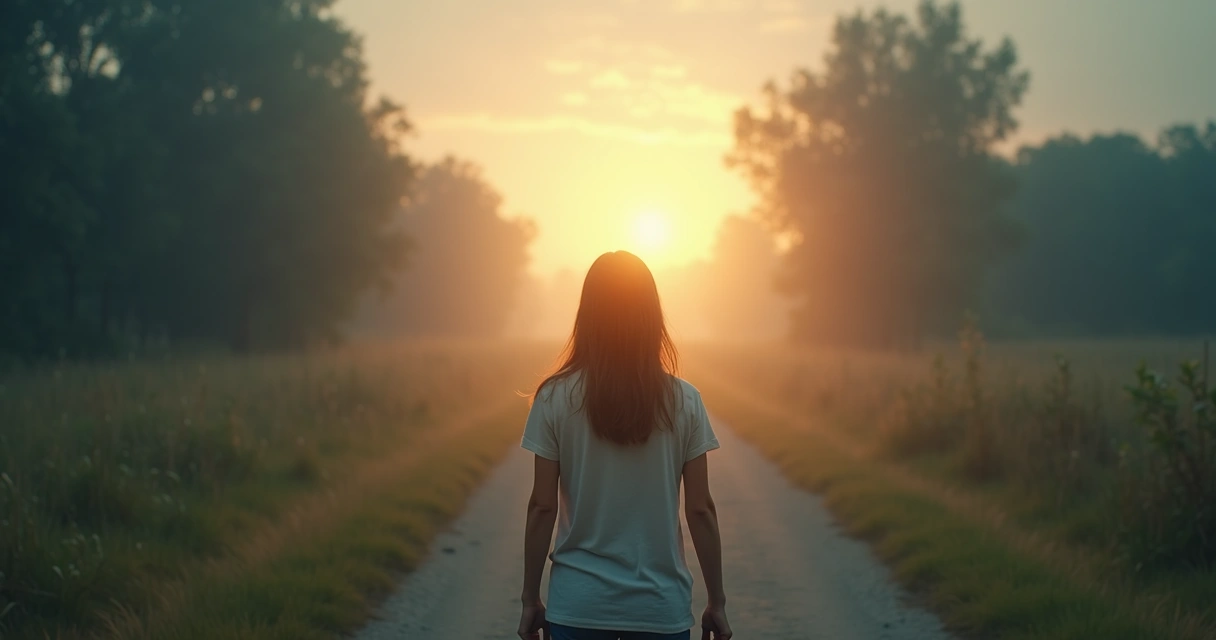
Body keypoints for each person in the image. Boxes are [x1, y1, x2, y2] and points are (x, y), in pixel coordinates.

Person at [517, 251, 733, 640]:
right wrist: (716, 602)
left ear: (587, 315)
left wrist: (530, 599)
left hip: (578, 607)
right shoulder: (684, 400)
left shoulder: (553, 398)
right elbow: (700, 508)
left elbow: (542, 505)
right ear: (652, 316)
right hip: (660, 609)